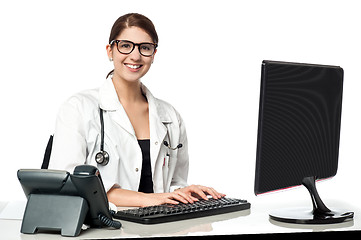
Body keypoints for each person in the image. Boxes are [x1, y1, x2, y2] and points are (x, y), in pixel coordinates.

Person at [49, 13, 225, 207]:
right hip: (103, 230)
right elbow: (68, 183)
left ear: (154, 54)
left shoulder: (171, 117)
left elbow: (173, 183)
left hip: (158, 227)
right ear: (110, 51)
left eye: (145, 48)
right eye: (125, 45)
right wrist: (147, 199)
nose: (135, 55)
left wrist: (183, 192)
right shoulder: (78, 108)